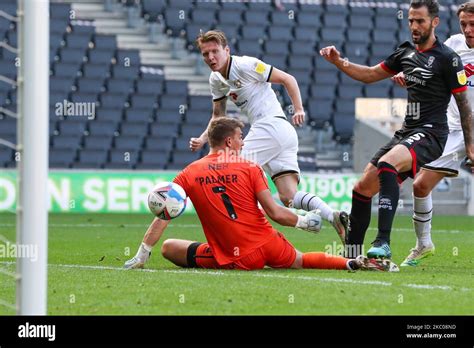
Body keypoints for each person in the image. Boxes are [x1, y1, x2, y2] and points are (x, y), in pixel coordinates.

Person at [124, 117, 397, 272]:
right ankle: (351, 261)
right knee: (300, 260)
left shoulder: (189, 173)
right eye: (240, 136)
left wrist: (143, 252)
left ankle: (146, 257)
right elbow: (275, 212)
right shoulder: (250, 166)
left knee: (170, 247)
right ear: (229, 141)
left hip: (236, 256)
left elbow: (165, 212)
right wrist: (302, 221)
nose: (243, 142)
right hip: (269, 244)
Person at [320, 0, 474, 259]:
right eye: (411, 20)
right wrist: (339, 62)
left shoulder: (448, 57)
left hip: (433, 132)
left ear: (434, 22)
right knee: (362, 189)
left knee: (388, 165)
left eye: (420, 21)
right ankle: (352, 255)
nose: (414, 26)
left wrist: (470, 145)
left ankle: (383, 242)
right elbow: (369, 74)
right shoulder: (408, 52)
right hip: (411, 131)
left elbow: (462, 103)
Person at [189, 30, 348, 244]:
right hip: (280, 133)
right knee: (288, 196)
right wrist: (203, 139)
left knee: (231, 172)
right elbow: (218, 116)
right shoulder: (216, 79)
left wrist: (298, 109)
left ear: (227, 50)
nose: (210, 58)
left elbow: (287, 78)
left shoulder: (246, 65)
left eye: (215, 52)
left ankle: (248, 235)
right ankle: (333, 216)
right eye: (205, 54)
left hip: (270, 126)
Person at [390, 2, 474, 266]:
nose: (468, 30)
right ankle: (424, 243)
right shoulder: (453, 46)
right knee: (420, 185)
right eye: (464, 24)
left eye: (473, 25)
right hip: (452, 129)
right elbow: (428, 68)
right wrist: (409, 76)